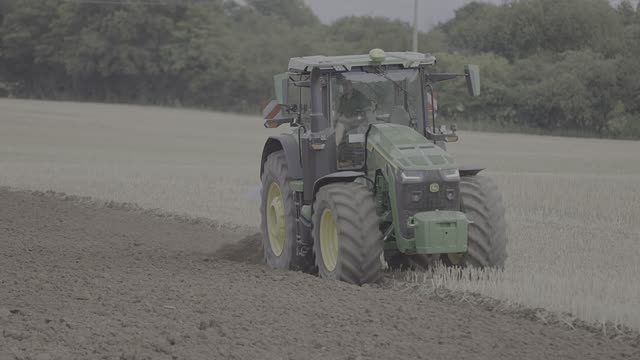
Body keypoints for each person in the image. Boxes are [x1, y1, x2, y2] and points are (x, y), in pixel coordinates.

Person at [335, 78, 371, 144]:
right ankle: (335, 147)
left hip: (359, 123)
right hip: (346, 123)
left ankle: (364, 147)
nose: (344, 87)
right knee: (339, 125)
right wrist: (339, 118)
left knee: (362, 131)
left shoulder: (360, 96)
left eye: (346, 84)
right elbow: (338, 114)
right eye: (343, 85)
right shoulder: (342, 98)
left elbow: (367, 113)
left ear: (351, 85)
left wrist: (350, 120)